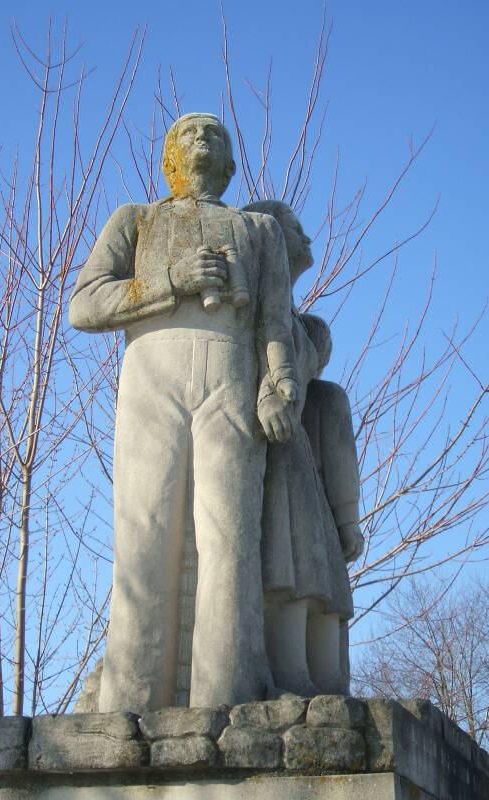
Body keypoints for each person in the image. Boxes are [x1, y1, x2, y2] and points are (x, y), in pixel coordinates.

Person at [69, 114, 298, 713]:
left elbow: (275, 319)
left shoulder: (258, 230)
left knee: (229, 539)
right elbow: (84, 303)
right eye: (190, 133)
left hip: (230, 376)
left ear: (229, 164)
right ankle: (128, 704)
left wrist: (280, 384)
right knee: (146, 533)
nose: (204, 140)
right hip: (152, 377)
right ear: (169, 156)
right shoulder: (137, 220)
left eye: (216, 135)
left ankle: (226, 700)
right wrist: (171, 279)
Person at [243, 199, 364, 695]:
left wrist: (348, 516)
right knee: (289, 559)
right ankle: (291, 671)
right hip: (273, 448)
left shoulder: (295, 320)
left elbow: (308, 363)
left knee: (318, 562)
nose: (306, 237)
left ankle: (324, 676)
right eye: (294, 227)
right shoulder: (257, 303)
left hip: (301, 457)